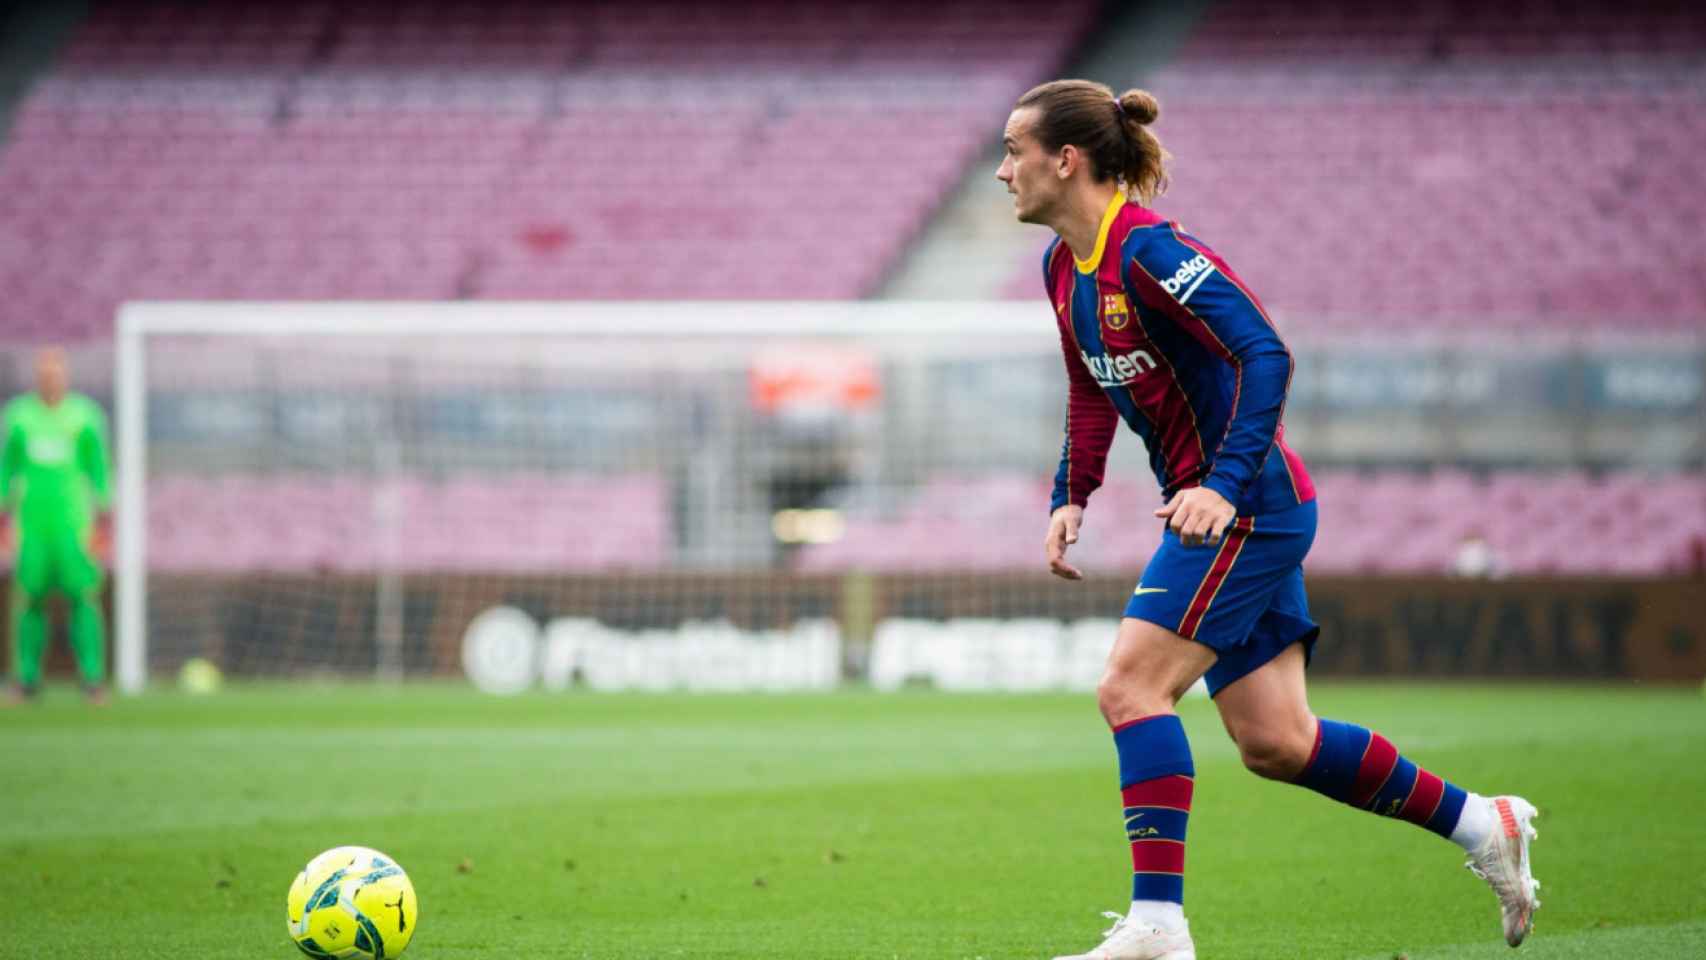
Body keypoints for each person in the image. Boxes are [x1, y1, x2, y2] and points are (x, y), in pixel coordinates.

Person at [996, 80, 1540, 959]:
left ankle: (1158, 930)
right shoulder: (1065, 266)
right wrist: (1073, 491)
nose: (1001, 169)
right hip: (1226, 510)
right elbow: (1089, 384)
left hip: (1246, 507)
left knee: (1129, 688)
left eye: (1013, 150)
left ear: (1066, 160)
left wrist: (1221, 480)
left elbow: (1265, 350)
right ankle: (1484, 823)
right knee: (1278, 743)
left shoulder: (1151, 250)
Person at [1, 347, 113, 705]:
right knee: (28, 599)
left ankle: (93, 679)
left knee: (84, 598)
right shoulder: (18, 417)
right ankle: (26, 680)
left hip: (74, 526)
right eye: (44, 373)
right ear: (38, 377)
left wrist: (103, 519)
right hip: (32, 525)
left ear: (65, 376)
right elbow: (7, 471)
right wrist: (3, 517)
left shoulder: (85, 417)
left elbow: (98, 471)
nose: (50, 379)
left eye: (56, 373)